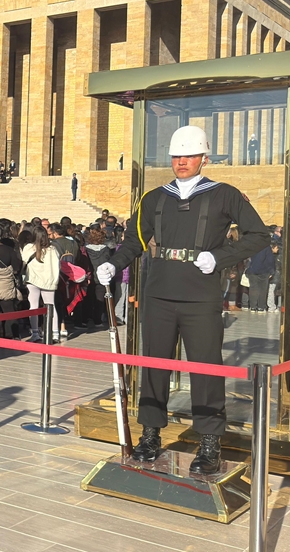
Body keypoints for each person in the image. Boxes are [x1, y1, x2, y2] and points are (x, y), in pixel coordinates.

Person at [98, 125, 269, 473]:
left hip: (200, 296)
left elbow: (259, 235)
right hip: (158, 293)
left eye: (189, 156)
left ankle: (209, 442)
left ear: (204, 158)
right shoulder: (154, 198)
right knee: (154, 366)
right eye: (177, 156)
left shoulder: (224, 194)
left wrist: (220, 257)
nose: (182, 162)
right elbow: (134, 241)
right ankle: (150, 434)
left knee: (206, 368)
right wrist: (113, 264)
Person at [21, 226, 61, 342]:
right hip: (49, 280)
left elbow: (23, 262)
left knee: (33, 306)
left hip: (33, 280)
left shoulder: (28, 248)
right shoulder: (53, 249)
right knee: (51, 306)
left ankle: (35, 333)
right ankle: (55, 333)